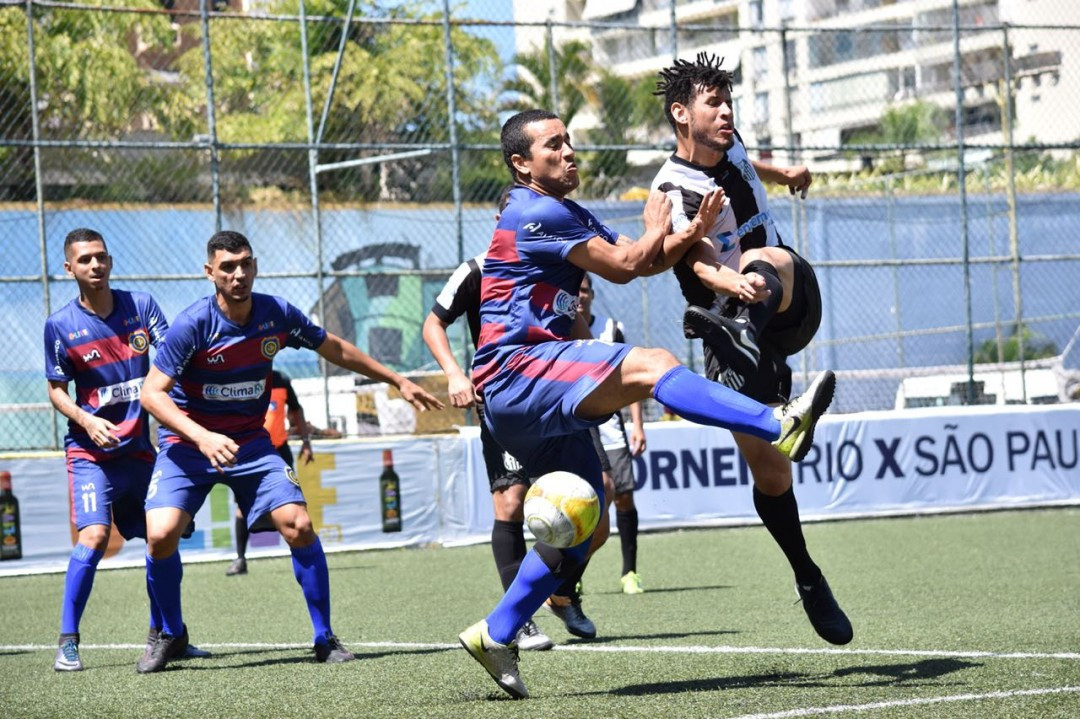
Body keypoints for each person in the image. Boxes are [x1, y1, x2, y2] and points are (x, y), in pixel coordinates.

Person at [457, 109, 835, 699]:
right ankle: (779, 423)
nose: (569, 151)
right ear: (521, 163)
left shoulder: (565, 211)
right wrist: (659, 228)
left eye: (568, 141)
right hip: (518, 370)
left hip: (527, 392)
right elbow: (632, 263)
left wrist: (682, 232)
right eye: (552, 145)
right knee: (655, 363)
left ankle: (496, 631)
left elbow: (646, 259)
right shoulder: (535, 209)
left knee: (583, 525)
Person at [137, 231, 443, 673]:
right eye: (227, 267)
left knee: (298, 525)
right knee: (161, 535)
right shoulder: (193, 324)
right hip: (188, 444)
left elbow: (334, 346)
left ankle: (324, 636)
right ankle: (170, 633)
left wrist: (397, 380)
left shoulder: (276, 314)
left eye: (245, 263)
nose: (238, 274)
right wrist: (202, 436)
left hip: (251, 444)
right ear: (210, 273)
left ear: (255, 265)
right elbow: (152, 395)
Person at [650, 52, 852, 645]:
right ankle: (808, 575)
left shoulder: (731, 146)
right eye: (714, 103)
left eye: (728, 100)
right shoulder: (669, 189)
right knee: (772, 470)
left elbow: (745, 159)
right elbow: (694, 257)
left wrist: (783, 175)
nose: (727, 111)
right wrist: (726, 284)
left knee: (767, 262)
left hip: (788, 300)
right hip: (726, 320)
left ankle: (745, 323)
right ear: (681, 113)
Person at [422, 188, 611, 646]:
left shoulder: (559, 265)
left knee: (596, 512)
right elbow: (433, 324)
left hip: (562, 399)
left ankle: (562, 592)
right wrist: (453, 374)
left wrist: (604, 376)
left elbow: (579, 329)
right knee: (510, 504)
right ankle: (517, 618)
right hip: (506, 401)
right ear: (500, 218)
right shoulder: (476, 270)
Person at [43, 228, 209, 672]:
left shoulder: (141, 306)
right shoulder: (59, 325)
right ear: (69, 269)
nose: (94, 266)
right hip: (90, 453)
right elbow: (57, 391)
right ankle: (68, 641)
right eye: (85, 260)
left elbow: (172, 353)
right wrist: (87, 419)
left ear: (110, 261)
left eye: (101, 257)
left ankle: (167, 634)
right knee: (94, 537)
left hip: (140, 452)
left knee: (165, 537)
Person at [576, 273, 648, 595]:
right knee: (585, 503)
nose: (581, 296)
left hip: (611, 428)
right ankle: (573, 575)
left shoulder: (610, 328)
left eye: (585, 290)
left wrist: (638, 425)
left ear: (592, 293)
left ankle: (629, 572)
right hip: (577, 427)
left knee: (623, 496)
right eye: (575, 291)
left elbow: (629, 381)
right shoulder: (559, 329)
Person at [226, 369, 313, 577]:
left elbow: (296, 409)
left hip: (279, 450)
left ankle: (303, 555)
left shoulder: (281, 379)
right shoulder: (240, 375)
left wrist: (306, 441)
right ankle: (240, 559)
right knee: (242, 507)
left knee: (294, 505)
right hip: (250, 450)